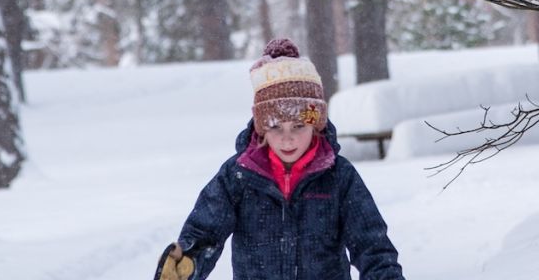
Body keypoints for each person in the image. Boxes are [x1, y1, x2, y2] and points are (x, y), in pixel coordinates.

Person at [154, 38, 405, 280]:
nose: (288, 139)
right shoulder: (238, 175)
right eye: (276, 127)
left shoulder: (339, 176)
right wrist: (187, 262)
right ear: (262, 128)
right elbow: (205, 233)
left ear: (315, 125)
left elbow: (372, 246)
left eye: (298, 126)